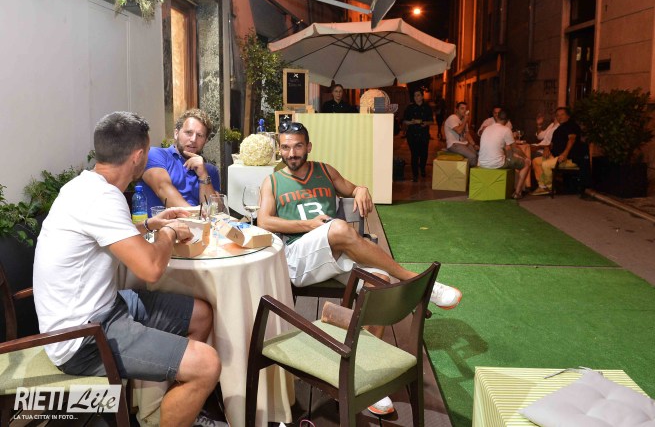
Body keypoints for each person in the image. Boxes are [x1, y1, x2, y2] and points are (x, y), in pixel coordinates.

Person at [258, 121, 462, 417]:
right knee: (340, 228)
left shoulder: (325, 170)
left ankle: (361, 377)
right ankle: (413, 280)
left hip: (334, 251)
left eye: (298, 146)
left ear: (308, 146)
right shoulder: (273, 181)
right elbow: (264, 221)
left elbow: (353, 188)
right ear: (280, 149)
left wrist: (362, 189)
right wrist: (308, 225)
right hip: (299, 258)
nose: (292, 153)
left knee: (379, 282)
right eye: (286, 147)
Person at [33, 112, 224, 427]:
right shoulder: (102, 198)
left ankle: (171, 412)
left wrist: (151, 224)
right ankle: (177, 406)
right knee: (207, 364)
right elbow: (151, 269)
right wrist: (169, 232)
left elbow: (112, 235)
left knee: (201, 314)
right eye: (147, 151)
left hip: (106, 308)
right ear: (138, 157)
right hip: (82, 338)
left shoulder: (86, 186)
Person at [141, 108, 221, 210]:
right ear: (176, 134)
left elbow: (215, 210)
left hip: (199, 220)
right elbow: (162, 189)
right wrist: (195, 214)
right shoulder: (156, 155)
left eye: (200, 135)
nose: (193, 139)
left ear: (205, 141)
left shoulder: (210, 171)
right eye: (188, 133)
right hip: (163, 220)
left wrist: (203, 175)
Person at [531, 107, 587, 195]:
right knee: (536, 161)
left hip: (569, 159)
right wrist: (547, 148)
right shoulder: (558, 129)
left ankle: (549, 187)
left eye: (562, 114)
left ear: (568, 116)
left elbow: (571, 139)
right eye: (557, 115)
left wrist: (565, 154)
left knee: (546, 164)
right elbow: (552, 144)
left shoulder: (572, 125)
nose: (559, 117)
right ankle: (542, 186)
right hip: (555, 156)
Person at [478, 110, 531, 199]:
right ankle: (517, 193)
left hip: (481, 162)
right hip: (496, 164)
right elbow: (515, 149)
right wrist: (525, 157)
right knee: (526, 163)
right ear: (507, 120)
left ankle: (512, 188)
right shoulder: (506, 129)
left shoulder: (487, 128)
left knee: (510, 156)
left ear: (497, 117)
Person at [402, 89, 435, 181]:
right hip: (412, 135)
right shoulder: (410, 108)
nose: (416, 97)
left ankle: (423, 169)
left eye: (418, 95)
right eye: (414, 96)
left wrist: (426, 123)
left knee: (424, 154)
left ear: (422, 96)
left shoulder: (427, 107)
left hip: (424, 134)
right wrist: (411, 122)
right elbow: (404, 121)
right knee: (414, 155)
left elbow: (432, 121)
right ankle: (415, 174)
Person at [444, 101, 479, 166]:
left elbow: (467, 134)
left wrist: (474, 145)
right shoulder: (452, 118)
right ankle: (470, 172)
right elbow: (459, 131)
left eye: (465, 109)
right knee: (472, 156)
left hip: (463, 143)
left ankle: (469, 169)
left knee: (477, 154)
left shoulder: (463, 120)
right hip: (454, 144)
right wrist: (465, 120)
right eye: (462, 108)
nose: (464, 110)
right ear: (456, 110)